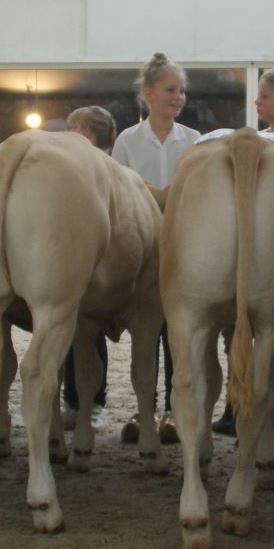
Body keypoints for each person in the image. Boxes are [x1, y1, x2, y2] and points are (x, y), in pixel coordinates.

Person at [209, 67, 274, 446]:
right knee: (233, 331)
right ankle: (237, 405)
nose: (257, 101)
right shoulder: (262, 141)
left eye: (265, 95)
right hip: (247, 246)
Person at [113, 53, 201, 445]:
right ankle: (144, 408)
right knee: (145, 331)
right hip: (142, 248)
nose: (177, 97)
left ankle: (174, 409)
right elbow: (119, 190)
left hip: (183, 246)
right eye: (170, 90)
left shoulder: (194, 141)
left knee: (178, 333)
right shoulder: (127, 141)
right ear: (148, 94)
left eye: (181, 91)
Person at [60, 105, 118, 432]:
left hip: (102, 257)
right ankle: (73, 400)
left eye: (72, 127)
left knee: (90, 331)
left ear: (86, 133)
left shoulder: (105, 166)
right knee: (71, 330)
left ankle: (94, 402)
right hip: (74, 252)